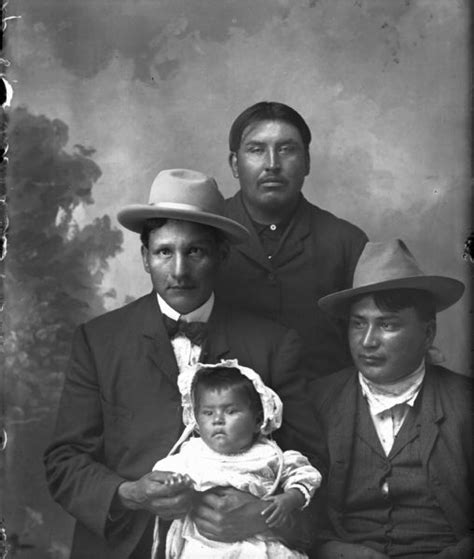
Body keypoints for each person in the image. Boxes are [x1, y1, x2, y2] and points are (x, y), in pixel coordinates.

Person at [44, 169, 325, 559]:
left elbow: (313, 464)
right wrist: (130, 494)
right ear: (145, 257)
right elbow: (64, 462)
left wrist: (261, 516)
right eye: (164, 252)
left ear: (221, 255)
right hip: (127, 545)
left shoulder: (274, 344)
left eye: (195, 251)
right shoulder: (99, 340)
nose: (178, 270)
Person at [311, 239, 471, 559]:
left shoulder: (465, 403)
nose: (368, 341)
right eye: (358, 324)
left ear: (427, 334)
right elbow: (298, 512)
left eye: (387, 324)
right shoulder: (318, 400)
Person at [215, 101, 368, 385]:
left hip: (323, 412)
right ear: (235, 164)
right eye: (256, 149)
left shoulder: (347, 242)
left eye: (286, 149)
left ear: (307, 162)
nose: (272, 164)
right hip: (224, 417)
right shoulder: (206, 232)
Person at [151, 359, 322, 558]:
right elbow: (161, 477)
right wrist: (175, 484)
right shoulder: (192, 453)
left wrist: (289, 499)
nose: (217, 420)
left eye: (231, 411)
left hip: (258, 540)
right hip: (205, 544)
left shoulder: (270, 454)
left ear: (258, 420)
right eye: (208, 412)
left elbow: (305, 476)